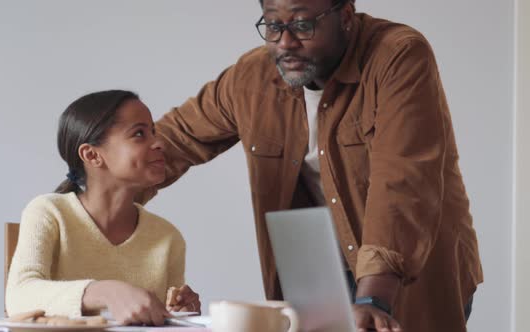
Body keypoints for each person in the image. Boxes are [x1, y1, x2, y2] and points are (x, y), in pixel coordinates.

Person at [138, 0, 483, 331]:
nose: (286, 42)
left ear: (345, 15)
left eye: (303, 25)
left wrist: (374, 301)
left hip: (406, 271)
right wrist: (94, 195)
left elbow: (402, 181)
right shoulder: (252, 78)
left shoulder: (398, 55)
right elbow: (174, 140)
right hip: (321, 280)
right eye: (274, 25)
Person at [6, 90, 200, 326]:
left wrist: (180, 313)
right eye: (139, 134)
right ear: (92, 155)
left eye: (154, 132)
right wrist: (106, 292)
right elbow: (18, 297)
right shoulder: (49, 212)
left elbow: (159, 321)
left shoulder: (168, 237)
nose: (158, 143)